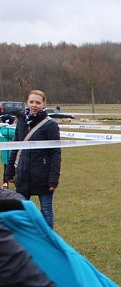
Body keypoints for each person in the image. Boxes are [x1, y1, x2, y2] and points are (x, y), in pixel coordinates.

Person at [3, 90, 61, 229]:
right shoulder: (22, 120)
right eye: (31, 102)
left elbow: (55, 153)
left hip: (43, 176)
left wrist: (53, 178)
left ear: (44, 104)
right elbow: (16, 147)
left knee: (46, 212)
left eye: (38, 102)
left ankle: (48, 243)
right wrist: (8, 173)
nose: (34, 105)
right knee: (20, 211)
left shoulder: (50, 125)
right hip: (22, 175)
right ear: (27, 102)